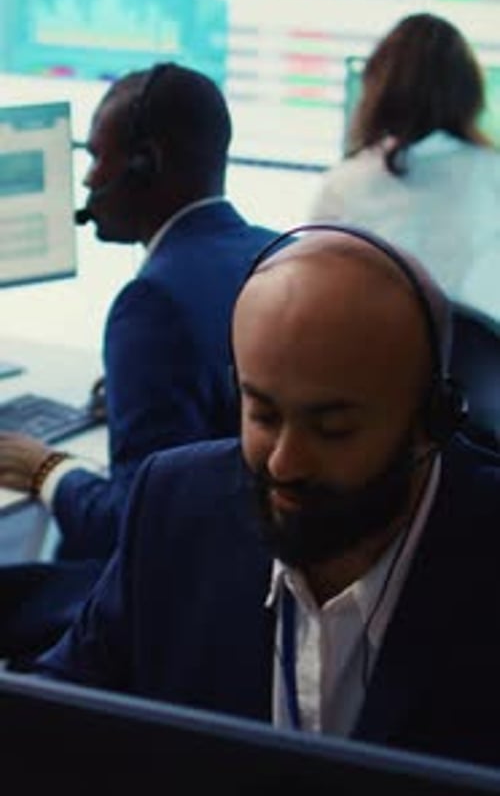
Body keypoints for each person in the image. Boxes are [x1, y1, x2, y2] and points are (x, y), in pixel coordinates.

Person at [32, 223, 500, 768]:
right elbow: (54, 717)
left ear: (431, 423)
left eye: (332, 429)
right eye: (263, 414)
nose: (284, 462)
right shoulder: (176, 503)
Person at [0, 62, 280, 562]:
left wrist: (47, 469)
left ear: (143, 164)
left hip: (181, 599)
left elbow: (135, 526)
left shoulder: (153, 306)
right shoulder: (275, 253)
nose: (87, 178)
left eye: (96, 156)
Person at [308, 12, 500, 312]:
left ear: (376, 89)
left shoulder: (344, 183)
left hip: (372, 352)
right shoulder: (492, 175)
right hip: (482, 356)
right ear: (470, 91)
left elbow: (313, 289)